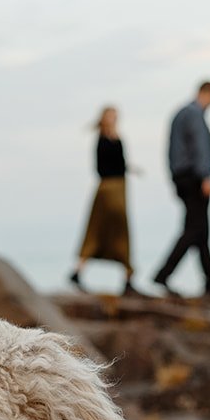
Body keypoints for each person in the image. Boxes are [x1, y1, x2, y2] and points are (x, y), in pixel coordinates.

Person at [152, 81, 210, 299]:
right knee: (196, 230)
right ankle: (163, 275)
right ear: (207, 94)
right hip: (193, 177)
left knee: (200, 231)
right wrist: (205, 175)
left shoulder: (180, 114)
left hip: (182, 177)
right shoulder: (194, 114)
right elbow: (200, 147)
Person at [69, 106, 141, 296]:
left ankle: (127, 276)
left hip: (120, 187)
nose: (114, 120)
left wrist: (131, 169)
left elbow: (121, 163)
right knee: (97, 231)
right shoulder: (101, 140)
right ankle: (77, 271)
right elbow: (100, 167)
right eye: (111, 116)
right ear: (103, 118)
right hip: (108, 189)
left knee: (121, 233)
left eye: (116, 116)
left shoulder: (118, 138)